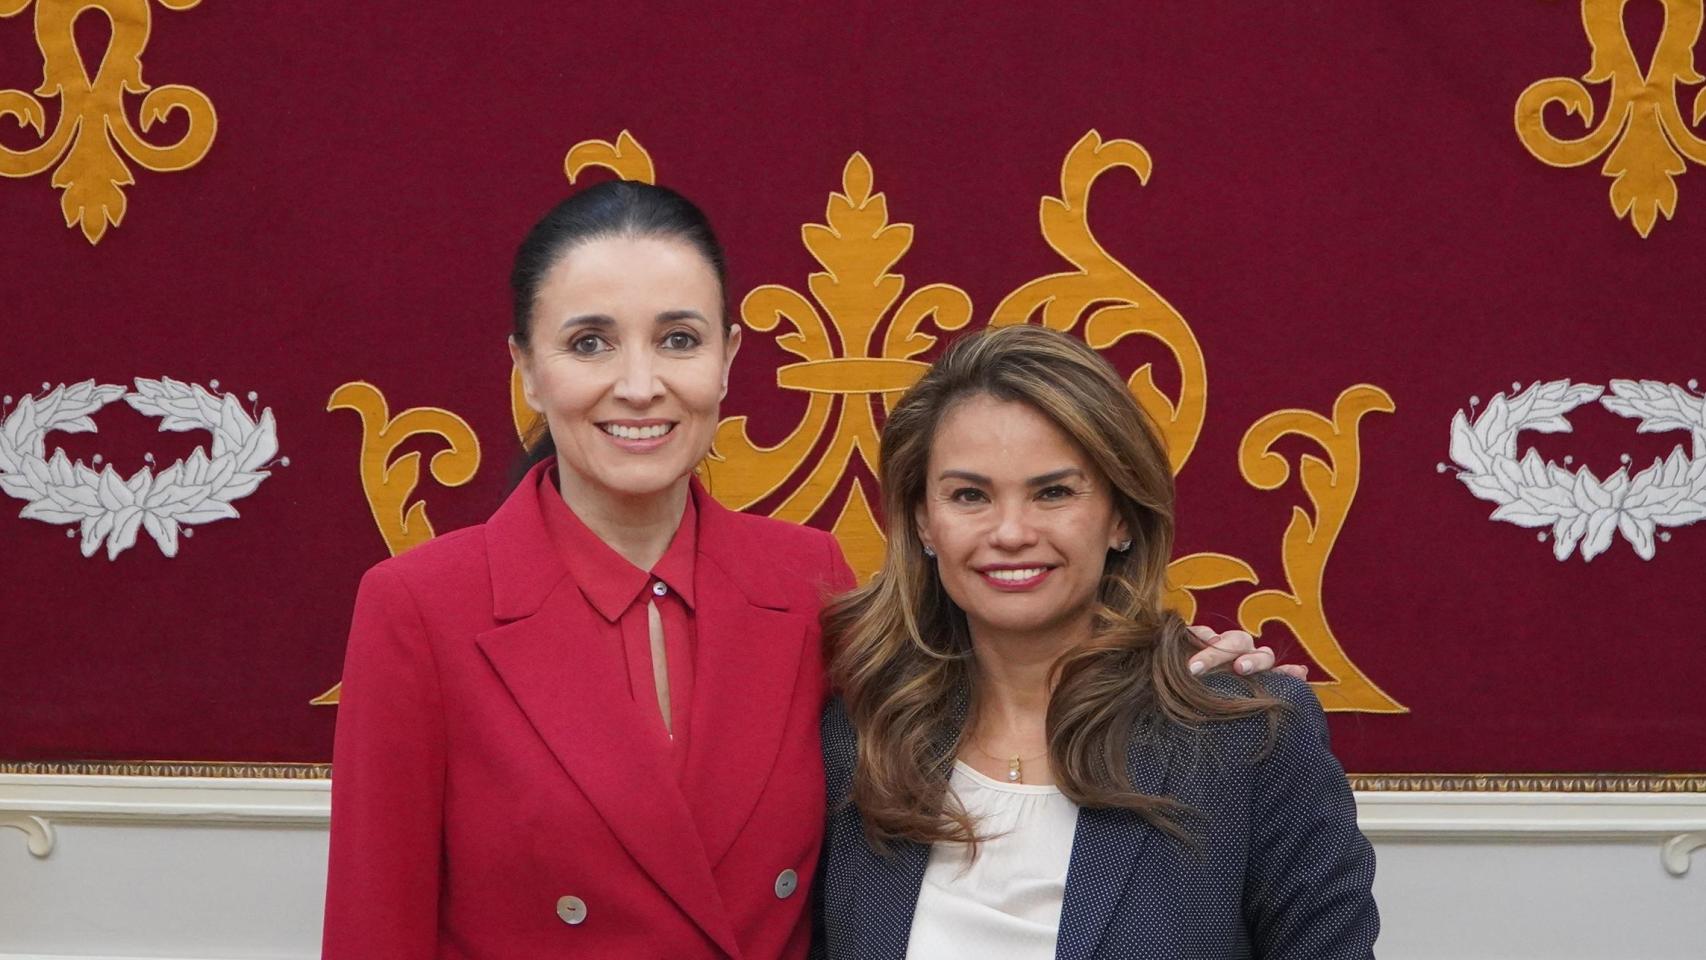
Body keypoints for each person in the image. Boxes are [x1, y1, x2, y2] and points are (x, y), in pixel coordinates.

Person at [322, 182, 1288, 959]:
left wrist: (1178, 668)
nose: (639, 384)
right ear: (526, 369)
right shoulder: (420, 607)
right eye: (588, 343)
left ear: (731, 357)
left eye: (678, 339)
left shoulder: (809, 578)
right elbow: (374, 933)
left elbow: (992, 667)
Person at [816, 325, 1378, 959]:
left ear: (1120, 516)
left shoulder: (1244, 735)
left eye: (1053, 492)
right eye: (970, 495)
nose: (1010, 532)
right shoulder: (856, 732)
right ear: (923, 521)